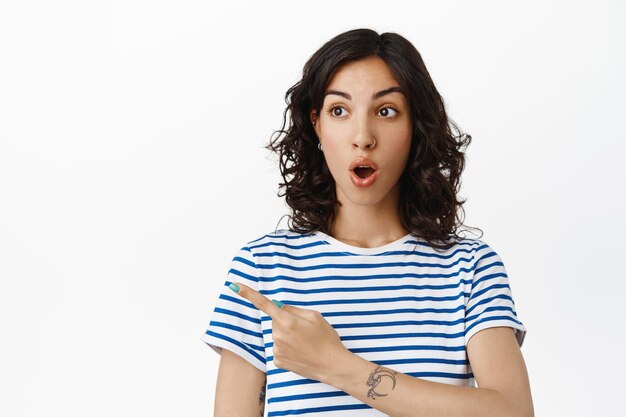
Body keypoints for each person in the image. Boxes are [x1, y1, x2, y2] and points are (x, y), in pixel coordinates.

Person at [201, 28, 534, 417]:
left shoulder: (471, 268)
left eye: (386, 111)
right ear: (318, 126)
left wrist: (336, 365)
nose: (363, 137)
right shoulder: (262, 267)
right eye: (339, 110)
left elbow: (513, 411)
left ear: (415, 127)